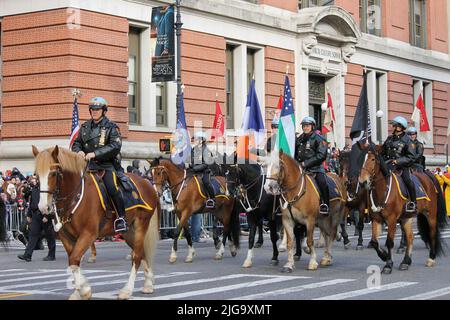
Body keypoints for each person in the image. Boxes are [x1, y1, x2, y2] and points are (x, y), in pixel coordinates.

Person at [71, 97, 127, 233]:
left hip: (106, 165)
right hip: (87, 166)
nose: (95, 112)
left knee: (112, 188)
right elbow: (77, 142)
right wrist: (78, 151)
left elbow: (115, 146)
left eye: (98, 109)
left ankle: (121, 218)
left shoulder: (111, 127)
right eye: (92, 109)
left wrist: (95, 154)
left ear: (104, 111)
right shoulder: (84, 126)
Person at [294, 116, 330, 215]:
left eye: (307, 126)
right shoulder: (299, 139)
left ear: (312, 127)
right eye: (304, 126)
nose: (305, 128)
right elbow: (295, 153)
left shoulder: (319, 139)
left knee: (322, 183)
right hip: (300, 169)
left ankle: (325, 204)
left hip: (315, 169)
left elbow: (321, 155)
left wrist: (305, 163)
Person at [381, 116, 417, 213]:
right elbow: (382, 152)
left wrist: (398, 161)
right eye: (394, 125)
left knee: (408, 180)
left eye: (397, 125)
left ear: (401, 126)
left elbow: (411, 157)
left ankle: (413, 202)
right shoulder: (389, 139)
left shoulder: (408, 140)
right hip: (388, 165)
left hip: (402, 167)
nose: (395, 126)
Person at [17, 178, 56, 262]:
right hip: (35, 215)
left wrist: (47, 216)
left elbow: (50, 202)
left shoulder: (47, 189)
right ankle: (27, 255)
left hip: (45, 215)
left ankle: (51, 254)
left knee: (49, 235)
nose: (37, 180)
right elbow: (32, 203)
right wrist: (29, 214)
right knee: (32, 235)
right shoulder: (35, 188)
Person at [190, 131, 215, 209]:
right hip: (194, 171)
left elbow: (205, 164)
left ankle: (212, 199)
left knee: (206, 182)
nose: (195, 140)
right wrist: (190, 165)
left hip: (204, 172)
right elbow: (192, 160)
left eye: (196, 139)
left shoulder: (206, 150)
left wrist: (195, 168)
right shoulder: (194, 149)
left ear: (202, 140)